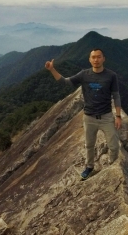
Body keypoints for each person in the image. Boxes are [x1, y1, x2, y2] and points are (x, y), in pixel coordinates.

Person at [45, 48, 122, 180]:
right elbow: (65, 82)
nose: (96, 60)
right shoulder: (84, 75)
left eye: (98, 57)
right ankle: (89, 167)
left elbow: (116, 95)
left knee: (114, 146)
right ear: (89, 59)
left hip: (106, 116)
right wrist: (52, 70)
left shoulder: (111, 75)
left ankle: (111, 166)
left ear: (103, 59)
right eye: (93, 57)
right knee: (89, 145)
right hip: (89, 117)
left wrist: (118, 116)